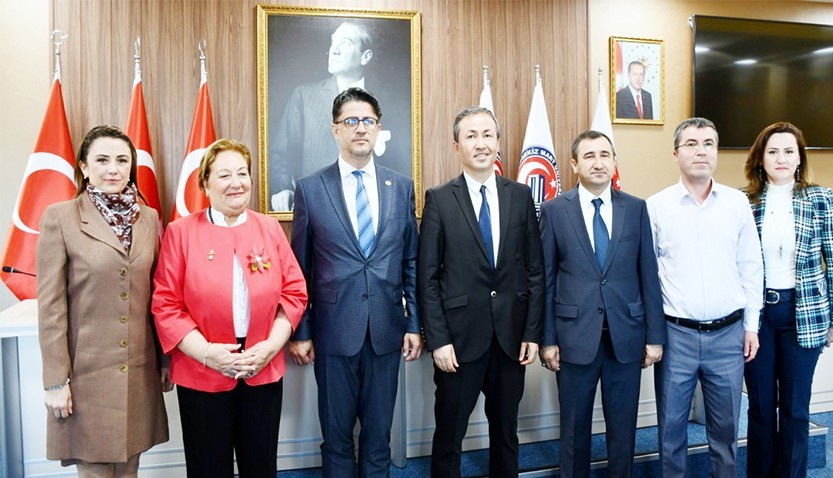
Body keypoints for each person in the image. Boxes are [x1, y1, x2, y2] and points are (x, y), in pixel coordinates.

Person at [152, 138, 307, 478]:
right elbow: (165, 305)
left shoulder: (268, 227)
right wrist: (208, 353)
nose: (236, 182)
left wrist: (269, 347)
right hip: (202, 369)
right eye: (224, 175)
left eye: (242, 173)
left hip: (261, 365)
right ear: (205, 183)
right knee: (208, 467)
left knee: (261, 465)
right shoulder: (181, 233)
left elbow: (294, 293)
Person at [289, 87, 421, 477]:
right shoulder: (312, 189)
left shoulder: (401, 187)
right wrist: (302, 330)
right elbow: (301, 269)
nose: (360, 129)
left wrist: (414, 322)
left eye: (368, 121)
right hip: (332, 334)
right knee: (337, 438)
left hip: (386, 332)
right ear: (335, 130)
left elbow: (410, 261)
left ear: (378, 129)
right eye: (351, 121)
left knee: (379, 439)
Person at [418, 106, 544, 478]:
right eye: (471, 136)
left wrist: (532, 333)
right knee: (449, 438)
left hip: (510, 340)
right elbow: (427, 278)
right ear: (457, 145)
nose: (481, 143)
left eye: (488, 135)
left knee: (506, 434)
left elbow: (535, 271)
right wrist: (437, 340)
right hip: (458, 343)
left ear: (498, 143)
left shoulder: (520, 196)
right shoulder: (440, 199)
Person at [37, 125, 169, 476]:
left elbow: (157, 297)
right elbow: (51, 308)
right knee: (94, 470)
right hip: (85, 377)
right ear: (84, 166)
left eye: (122, 160)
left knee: (130, 466)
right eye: (103, 159)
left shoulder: (148, 218)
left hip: (139, 371)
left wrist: (165, 360)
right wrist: (55, 381)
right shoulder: (60, 218)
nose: (114, 168)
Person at [538, 130, 665, 478]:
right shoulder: (554, 210)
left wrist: (655, 336)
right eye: (590, 156)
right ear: (575, 164)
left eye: (605, 155)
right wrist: (548, 339)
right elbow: (547, 280)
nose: (598, 162)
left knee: (623, 431)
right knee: (574, 432)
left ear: (614, 162)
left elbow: (648, 275)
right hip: (573, 339)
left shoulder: (637, 208)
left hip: (627, 338)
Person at [647, 117, 763, 478]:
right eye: (692, 144)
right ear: (676, 153)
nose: (701, 151)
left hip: (728, 336)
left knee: (725, 433)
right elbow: (647, 279)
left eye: (709, 143)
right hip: (675, 336)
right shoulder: (655, 206)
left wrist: (752, 326)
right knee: (670, 433)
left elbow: (751, 267)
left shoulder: (736, 204)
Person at [741, 122, 833, 478]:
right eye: (773, 151)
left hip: (805, 314)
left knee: (796, 409)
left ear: (799, 158)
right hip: (757, 318)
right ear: (760, 159)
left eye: (789, 151)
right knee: (760, 408)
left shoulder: (821, 197)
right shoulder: (744, 201)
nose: (781, 158)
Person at [269, 21, 410, 211]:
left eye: (346, 42)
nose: (333, 50)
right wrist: (283, 188)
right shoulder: (305, 96)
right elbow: (280, 154)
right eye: (333, 42)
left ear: (365, 56)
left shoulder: (390, 100)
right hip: (320, 212)